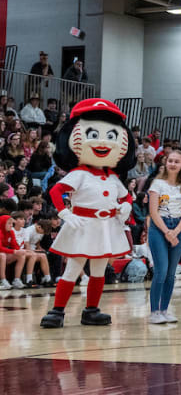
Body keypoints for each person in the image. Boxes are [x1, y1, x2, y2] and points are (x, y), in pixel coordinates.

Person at [39, 99, 136, 329]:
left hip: (106, 225)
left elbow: (126, 196)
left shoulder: (113, 177)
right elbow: (55, 190)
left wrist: (127, 205)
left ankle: (91, 309)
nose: (103, 141)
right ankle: (58, 310)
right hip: (83, 224)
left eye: (111, 136)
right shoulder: (79, 173)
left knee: (100, 270)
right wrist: (63, 212)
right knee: (73, 267)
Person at [147, 149, 181, 324]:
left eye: (176, 161)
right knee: (161, 271)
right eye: (170, 160)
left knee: (171, 274)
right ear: (165, 163)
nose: (173, 164)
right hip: (159, 228)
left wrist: (176, 231)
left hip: (178, 227)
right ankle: (154, 312)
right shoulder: (157, 184)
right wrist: (167, 232)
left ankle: (165, 310)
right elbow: (153, 211)